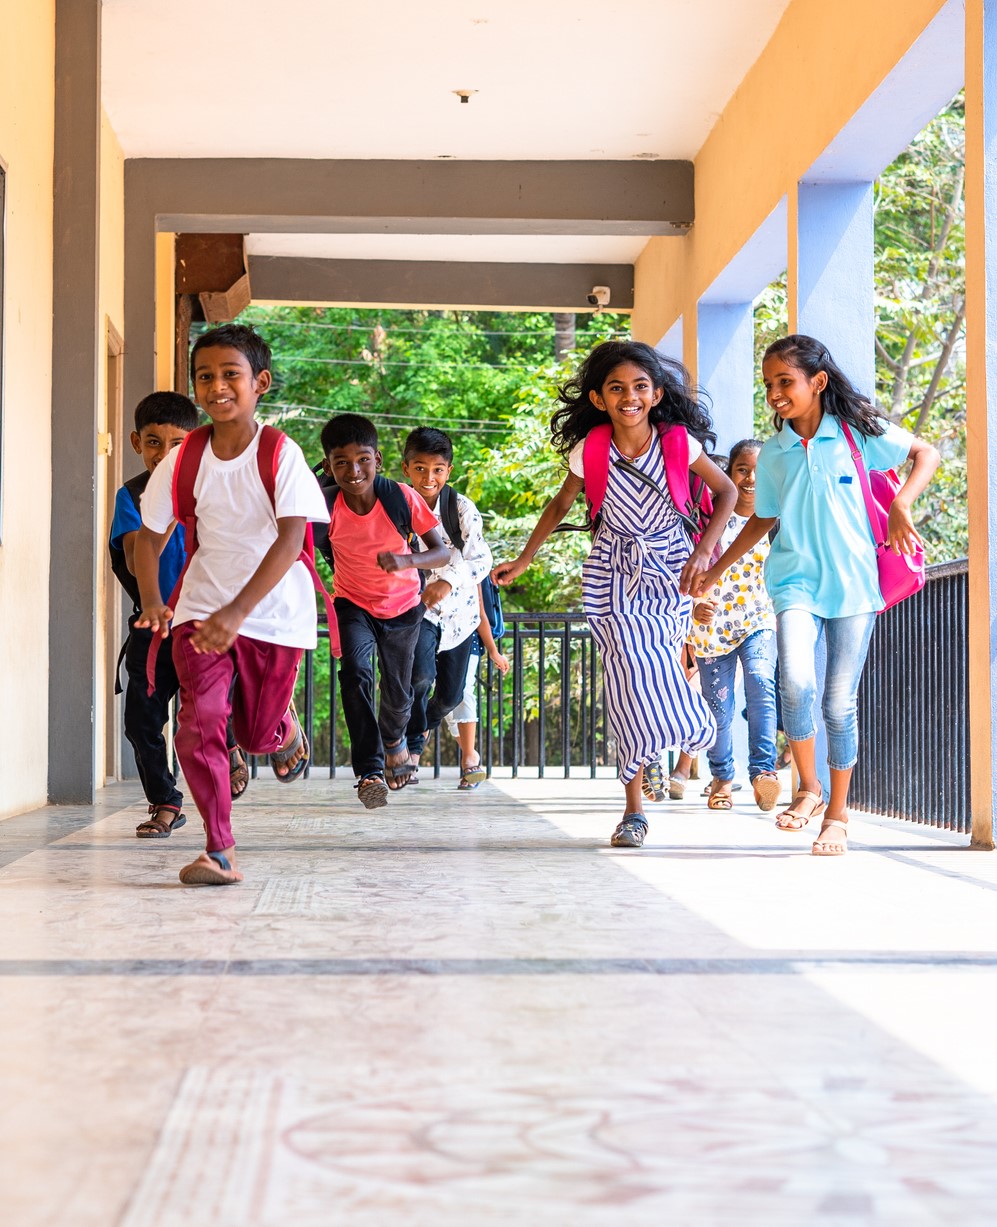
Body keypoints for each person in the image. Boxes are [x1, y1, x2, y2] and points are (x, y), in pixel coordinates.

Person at [690, 334, 939, 855]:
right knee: (797, 684)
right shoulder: (776, 453)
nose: (776, 393)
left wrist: (902, 506)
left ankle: (838, 816)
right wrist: (714, 574)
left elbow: (925, 453)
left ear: (817, 381)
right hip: (794, 582)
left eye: (786, 382)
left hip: (853, 585)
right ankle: (807, 787)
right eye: (769, 385)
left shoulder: (856, 433)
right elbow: (763, 519)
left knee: (838, 704)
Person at [493, 340, 736, 848]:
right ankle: (633, 808)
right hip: (611, 569)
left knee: (661, 664)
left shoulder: (677, 443)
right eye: (616, 388)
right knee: (625, 673)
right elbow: (561, 504)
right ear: (599, 398)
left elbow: (728, 493)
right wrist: (525, 557)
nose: (629, 396)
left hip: (669, 568)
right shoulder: (593, 449)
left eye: (640, 387)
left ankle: (667, 740)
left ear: (656, 393)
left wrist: (702, 553)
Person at [134, 324, 331, 886]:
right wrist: (153, 599)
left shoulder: (280, 454)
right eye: (205, 376)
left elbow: (291, 542)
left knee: (252, 733)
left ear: (259, 383)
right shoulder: (184, 457)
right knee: (199, 725)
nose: (217, 386)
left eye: (230, 375)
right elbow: (148, 536)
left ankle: (281, 730)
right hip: (200, 610)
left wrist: (237, 614)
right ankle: (218, 850)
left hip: (273, 618)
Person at [319, 414, 450, 807]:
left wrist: (406, 561)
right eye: (341, 462)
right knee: (355, 674)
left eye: (362, 460)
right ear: (328, 467)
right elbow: (294, 547)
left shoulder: (402, 497)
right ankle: (369, 770)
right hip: (352, 604)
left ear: (377, 458)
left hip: (403, 607)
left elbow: (442, 551)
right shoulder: (325, 507)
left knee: (398, 692)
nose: (353, 470)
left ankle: (394, 739)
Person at [109, 391, 197, 838]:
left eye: (178, 444)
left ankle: (237, 745)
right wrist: (152, 604)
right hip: (153, 624)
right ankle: (165, 801)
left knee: (209, 713)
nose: (164, 455)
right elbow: (131, 550)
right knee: (140, 719)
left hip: (204, 623)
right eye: (153, 443)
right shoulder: (133, 495)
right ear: (135, 443)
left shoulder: (209, 491)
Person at [689, 439, 780, 812]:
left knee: (760, 681)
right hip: (712, 630)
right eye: (743, 469)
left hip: (757, 619)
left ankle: (763, 772)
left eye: (759, 470)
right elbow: (688, 569)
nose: (751, 478)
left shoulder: (775, 520)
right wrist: (695, 606)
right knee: (719, 708)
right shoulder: (708, 520)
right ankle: (723, 776)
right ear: (729, 474)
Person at [400, 427, 494, 777]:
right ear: (406, 468)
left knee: (452, 696)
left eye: (437, 469)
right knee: (420, 677)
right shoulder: (395, 506)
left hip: (461, 615)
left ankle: (419, 728)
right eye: (420, 468)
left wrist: (449, 581)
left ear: (448, 471)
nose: (429, 477)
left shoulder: (461, 508)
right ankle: (410, 743)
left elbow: (481, 560)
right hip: (417, 610)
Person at [442, 580, 511, 789]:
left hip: (467, 639)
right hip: (435, 637)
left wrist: (493, 650)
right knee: (445, 700)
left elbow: (480, 611)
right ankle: (470, 753)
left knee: (463, 691)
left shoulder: (471, 565)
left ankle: (470, 760)